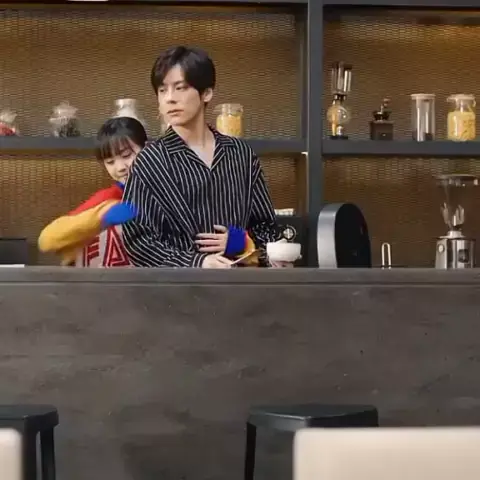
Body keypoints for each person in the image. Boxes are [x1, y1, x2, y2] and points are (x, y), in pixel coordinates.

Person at [122, 45, 283, 268]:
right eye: (162, 90)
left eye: (180, 88)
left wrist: (239, 243)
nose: (170, 99)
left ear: (206, 93)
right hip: (177, 287)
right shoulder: (150, 160)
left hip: (238, 283)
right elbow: (138, 241)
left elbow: (267, 230)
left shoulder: (241, 155)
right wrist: (198, 262)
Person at [38, 117, 146, 267]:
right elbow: (47, 239)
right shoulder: (109, 198)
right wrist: (101, 216)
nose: (120, 167)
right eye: (110, 162)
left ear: (148, 149)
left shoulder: (169, 187)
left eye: (126, 155)